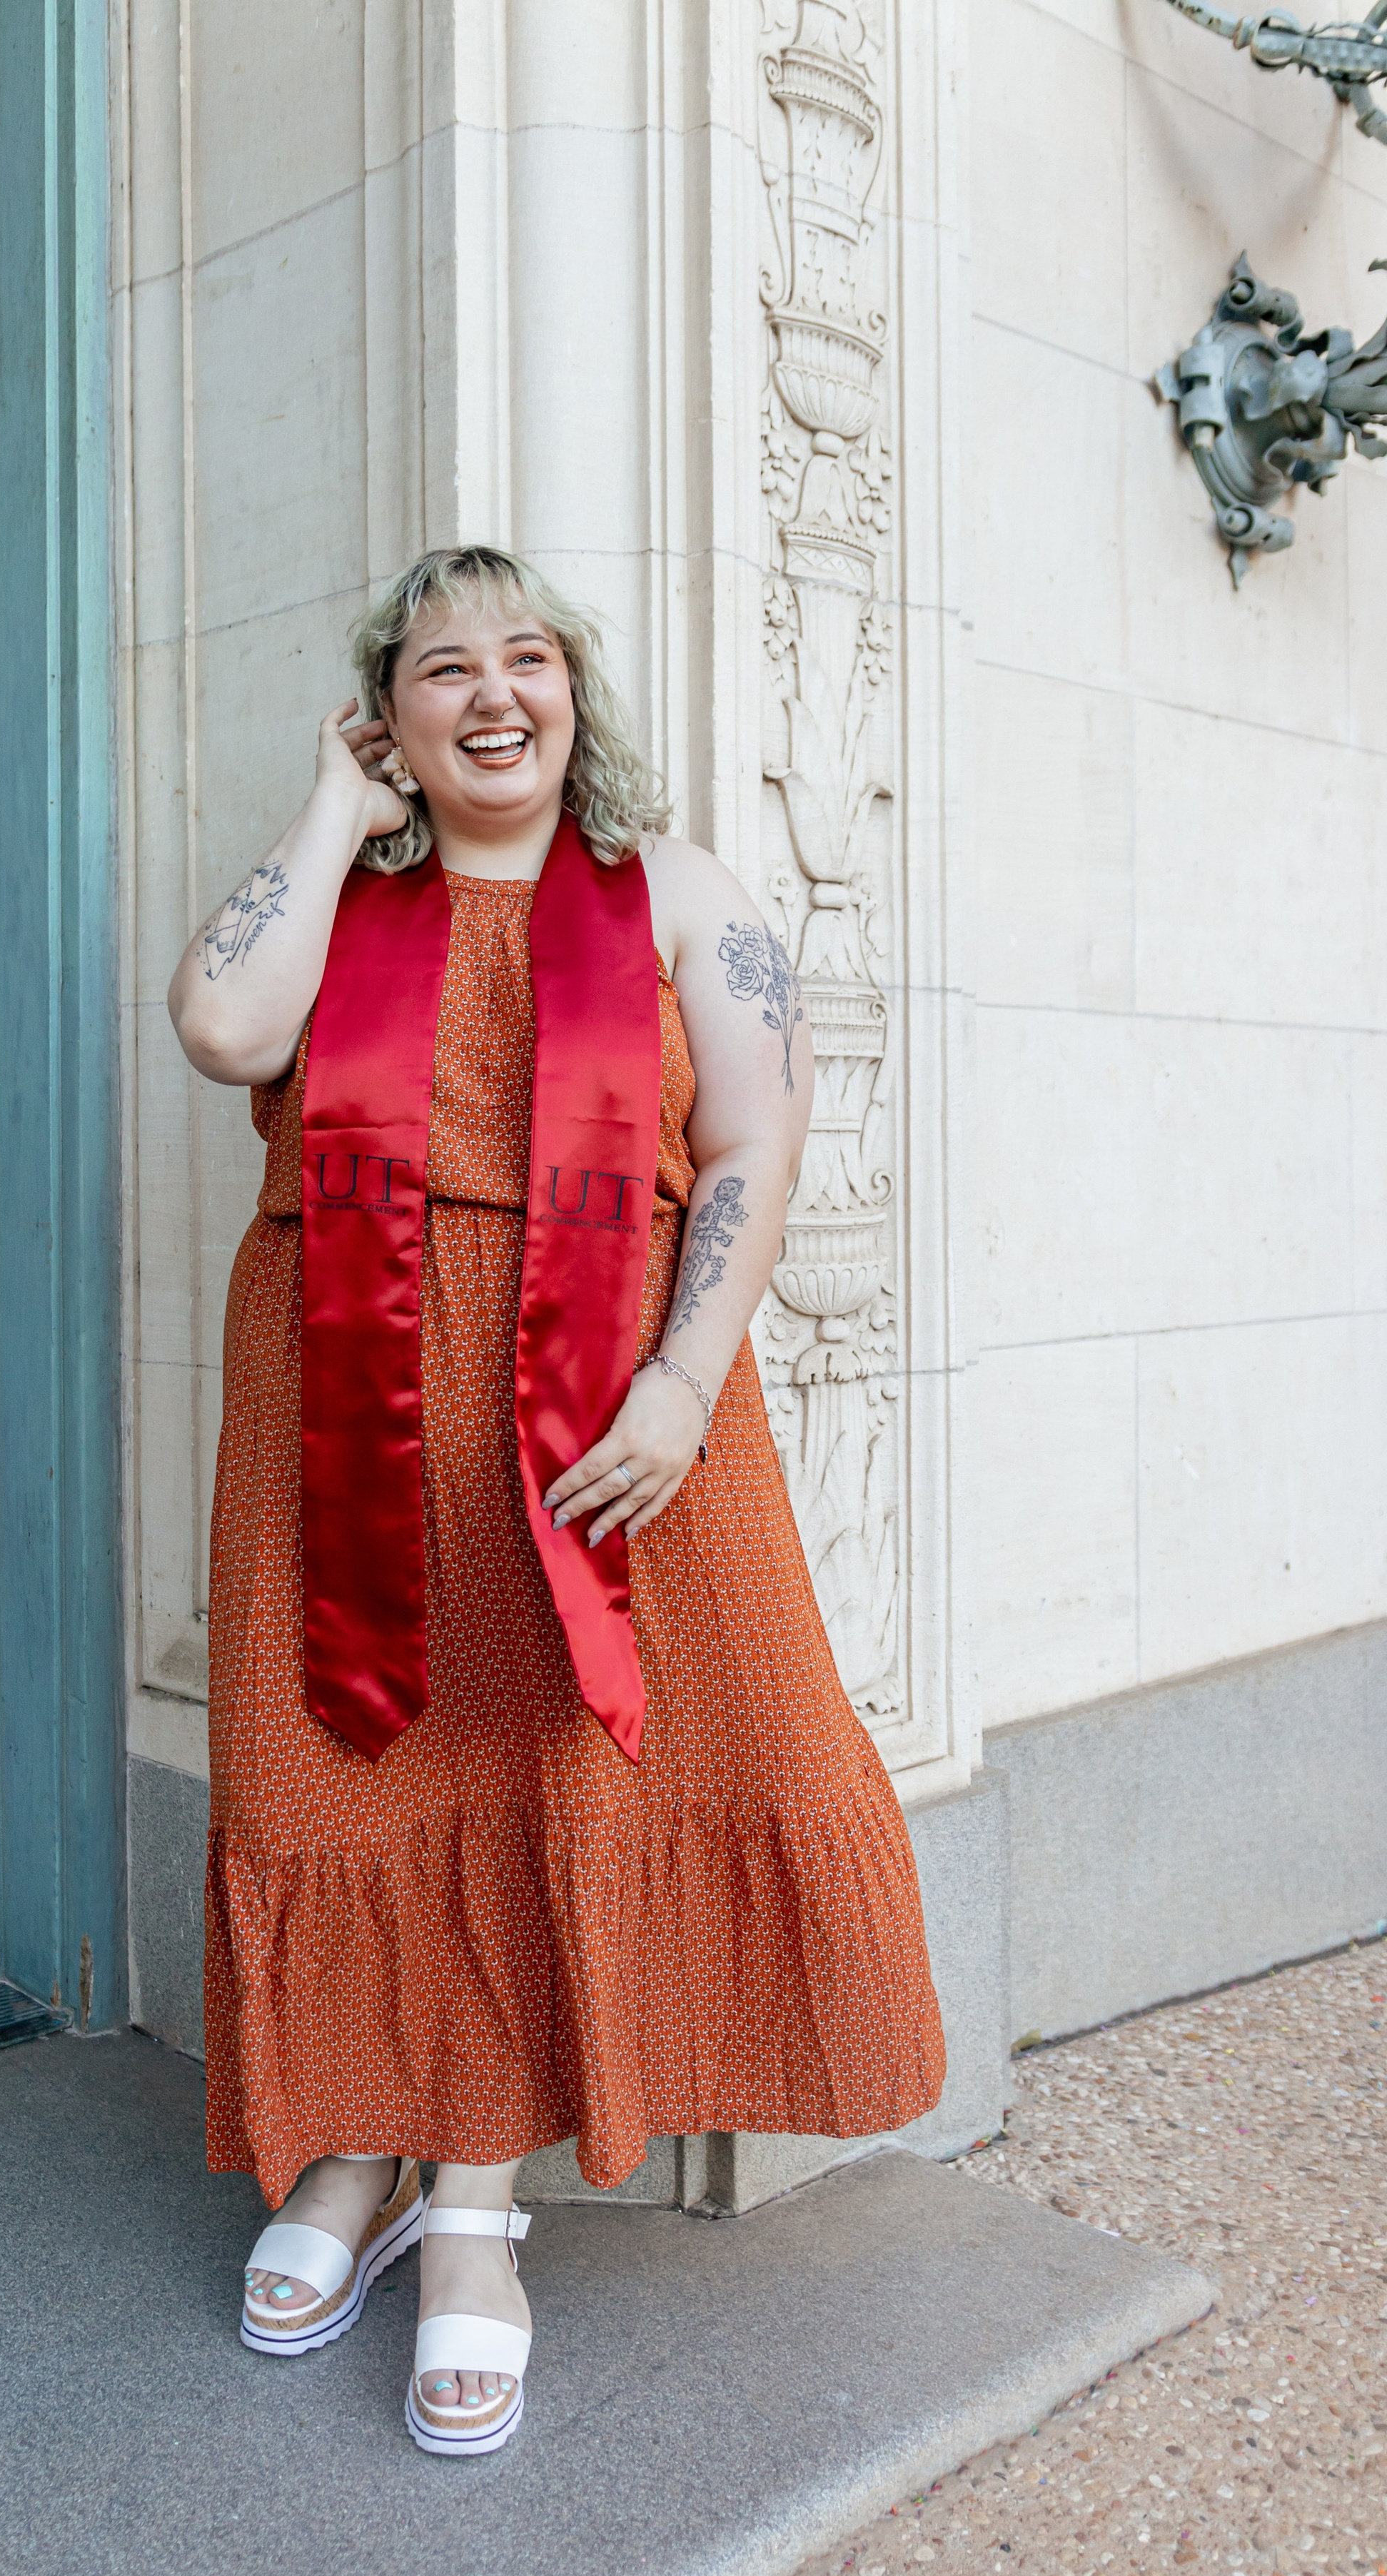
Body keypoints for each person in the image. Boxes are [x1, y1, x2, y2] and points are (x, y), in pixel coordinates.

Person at [167, 545, 945, 2457]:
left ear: (575, 693)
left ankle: (479, 2206)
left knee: (539, 1777)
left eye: (528, 658)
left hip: (607, 1412)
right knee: (343, 1775)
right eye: (443, 670)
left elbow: (758, 1131)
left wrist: (683, 1382)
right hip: (339, 1398)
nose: (492, 692)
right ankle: (352, 2151)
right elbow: (220, 1030)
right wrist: (339, 811)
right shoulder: (346, 891)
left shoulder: (674, 890)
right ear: (392, 711)